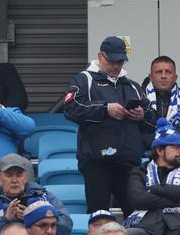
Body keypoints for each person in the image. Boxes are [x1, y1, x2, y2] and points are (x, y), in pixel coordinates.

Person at [64, 36, 153, 215]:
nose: (116, 66)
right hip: (96, 161)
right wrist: (105, 109)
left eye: (120, 62)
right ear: (100, 56)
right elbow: (71, 108)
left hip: (128, 160)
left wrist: (142, 115)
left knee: (137, 214)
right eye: (112, 61)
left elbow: (153, 119)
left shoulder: (133, 86)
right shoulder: (84, 80)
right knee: (98, 215)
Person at [125, 118, 180, 234]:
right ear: (159, 150)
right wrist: (176, 200)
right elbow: (137, 199)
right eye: (176, 147)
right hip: (145, 226)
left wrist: (155, 190)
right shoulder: (139, 171)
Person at [0, 154, 72, 235]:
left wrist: (37, 216)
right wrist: (5, 219)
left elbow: (66, 227)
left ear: (25, 177)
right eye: (9, 175)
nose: (14, 180)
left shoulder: (44, 196)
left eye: (19, 175)